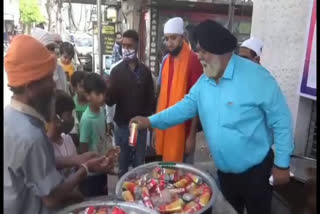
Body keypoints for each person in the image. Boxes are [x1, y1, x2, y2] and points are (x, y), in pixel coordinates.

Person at [130, 20, 294, 214]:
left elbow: (281, 120)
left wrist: (282, 164)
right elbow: (184, 108)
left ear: (222, 52)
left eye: (203, 51)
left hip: (256, 171)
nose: (198, 57)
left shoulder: (257, 77)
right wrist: (150, 121)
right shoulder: (205, 81)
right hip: (225, 173)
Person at [4, 35, 111, 213]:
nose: (54, 85)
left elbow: (33, 165)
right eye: (48, 79)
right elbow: (52, 197)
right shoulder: (30, 135)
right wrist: (85, 169)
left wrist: (75, 159)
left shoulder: (10, 116)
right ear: (30, 87)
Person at [106, 29, 156, 177]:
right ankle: (120, 196)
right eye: (123, 45)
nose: (126, 49)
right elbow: (109, 101)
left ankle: (137, 195)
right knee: (122, 164)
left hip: (140, 128)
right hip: (122, 126)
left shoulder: (146, 72)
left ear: (137, 46)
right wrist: (108, 120)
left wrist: (150, 124)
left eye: (129, 46)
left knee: (139, 164)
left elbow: (151, 101)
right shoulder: (116, 71)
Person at [155, 17, 203, 163]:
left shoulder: (193, 60)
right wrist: (156, 129)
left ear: (182, 37)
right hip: (166, 127)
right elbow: (162, 94)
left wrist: (191, 136)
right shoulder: (166, 61)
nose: (169, 43)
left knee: (183, 178)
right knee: (167, 176)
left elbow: (197, 101)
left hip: (184, 130)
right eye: (167, 39)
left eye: (173, 38)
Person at [31, 28, 69, 94]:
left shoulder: (59, 69)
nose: (52, 52)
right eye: (47, 48)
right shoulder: (29, 74)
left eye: (52, 48)